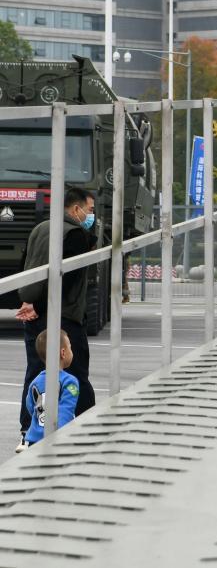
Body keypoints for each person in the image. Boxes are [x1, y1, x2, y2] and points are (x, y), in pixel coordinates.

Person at [13, 187, 98, 453]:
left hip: (34, 316)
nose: (91, 216)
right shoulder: (75, 234)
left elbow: (24, 265)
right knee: (76, 372)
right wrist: (39, 305)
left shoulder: (40, 228)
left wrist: (27, 302)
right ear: (76, 209)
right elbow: (67, 279)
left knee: (35, 373)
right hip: (64, 316)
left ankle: (28, 432)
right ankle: (86, 427)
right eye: (90, 210)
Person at [23, 329, 80, 447]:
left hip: (34, 440)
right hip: (58, 440)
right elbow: (67, 409)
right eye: (70, 348)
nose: (71, 351)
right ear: (63, 353)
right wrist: (60, 435)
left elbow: (30, 405)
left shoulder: (35, 382)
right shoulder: (70, 382)